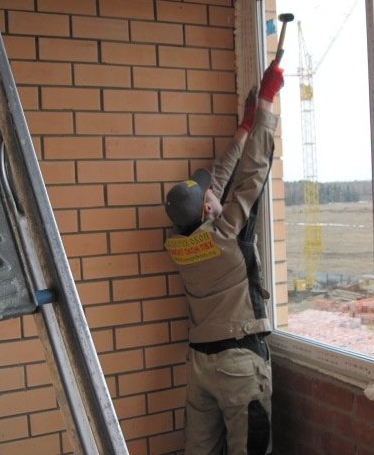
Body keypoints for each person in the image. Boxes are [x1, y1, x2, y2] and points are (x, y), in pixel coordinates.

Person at [163, 59, 284, 455]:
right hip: (237, 366)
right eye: (209, 196)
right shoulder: (229, 234)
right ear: (207, 211)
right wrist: (265, 106)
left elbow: (218, 178)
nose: (213, 190)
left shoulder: (179, 244)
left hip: (200, 367)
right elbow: (253, 175)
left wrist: (242, 129)